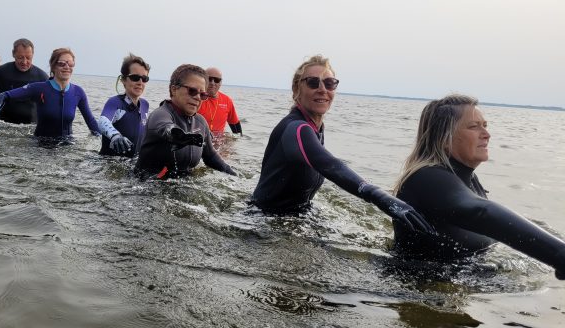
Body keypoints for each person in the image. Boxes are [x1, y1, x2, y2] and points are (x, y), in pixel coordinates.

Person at [251, 55, 434, 235]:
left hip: (295, 217)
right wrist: (378, 195)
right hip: (263, 223)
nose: (322, 89)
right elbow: (329, 164)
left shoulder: (315, 127)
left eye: (329, 83)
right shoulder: (296, 128)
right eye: (313, 83)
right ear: (296, 89)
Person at [392, 94, 565, 279]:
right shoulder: (427, 178)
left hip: (457, 288)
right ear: (444, 138)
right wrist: (558, 254)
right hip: (421, 292)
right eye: (474, 127)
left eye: (485, 125)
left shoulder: (468, 180)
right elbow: (481, 212)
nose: (486, 134)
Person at [135, 64, 235, 179]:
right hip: (146, 188)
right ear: (174, 89)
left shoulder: (201, 122)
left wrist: (233, 174)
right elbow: (166, 127)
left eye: (202, 94)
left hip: (182, 183)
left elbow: (210, 156)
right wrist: (177, 136)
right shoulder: (160, 114)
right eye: (192, 91)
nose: (197, 97)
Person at [0, 47, 99, 139]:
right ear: (53, 66)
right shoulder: (39, 88)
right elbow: (4, 95)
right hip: (40, 147)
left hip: (66, 146)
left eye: (70, 63)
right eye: (62, 63)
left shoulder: (78, 92)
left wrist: (104, 138)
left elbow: (91, 122)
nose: (66, 67)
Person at [97, 53, 151, 157]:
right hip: (109, 163)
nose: (140, 82)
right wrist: (115, 136)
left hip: (134, 163)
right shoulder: (115, 102)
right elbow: (103, 121)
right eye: (135, 77)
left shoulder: (145, 105)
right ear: (123, 80)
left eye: (144, 79)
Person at [197, 67, 242, 135]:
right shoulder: (195, 97)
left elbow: (235, 124)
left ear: (220, 82)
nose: (212, 83)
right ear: (203, 80)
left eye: (216, 80)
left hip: (218, 142)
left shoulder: (227, 100)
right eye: (209, 79)